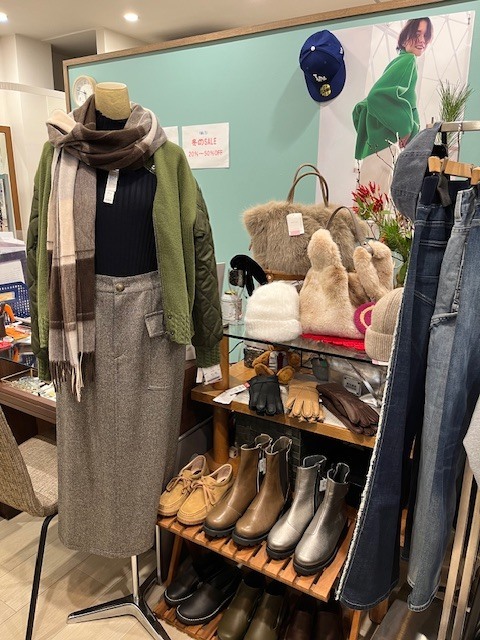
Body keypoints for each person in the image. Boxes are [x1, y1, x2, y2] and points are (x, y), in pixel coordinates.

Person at [353, 18, 433, 194]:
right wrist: (404, 128)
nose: (422, 40)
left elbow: (407, 103)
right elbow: (377, 95)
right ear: (405, 38)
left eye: (425, 36)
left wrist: (408, 129)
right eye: (417, 34)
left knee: (369, 200)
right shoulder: (408, 61)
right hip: (384, 144)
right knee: (376, 201)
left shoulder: (402, 60)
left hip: (379, 143)